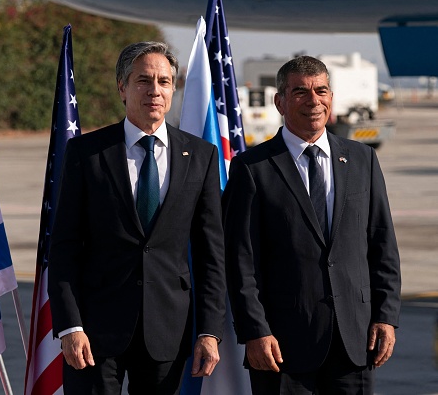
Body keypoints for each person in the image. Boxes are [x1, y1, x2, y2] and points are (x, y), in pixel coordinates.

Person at [48, 41, 227, 395]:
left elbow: (211, 254)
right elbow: (65, 245)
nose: (155, 91)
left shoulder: (201, 156)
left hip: (168, 330)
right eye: (143, 80)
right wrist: (70, 326)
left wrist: (209, 331)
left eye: (164, 82)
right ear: (122, 88)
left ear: (173, 89)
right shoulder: (86, 153)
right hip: (94, 332)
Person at [222, 55, 401, 394]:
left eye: (321, 90)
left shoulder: (362, 159)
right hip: (281, 347)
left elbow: (382, 244)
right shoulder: (252, 168)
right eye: (300, 92)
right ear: (280, 101)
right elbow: (240, 260)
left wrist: (386, 316)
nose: (313, 101)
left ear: (331, 97)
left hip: (355, 341)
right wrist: (255, 330)